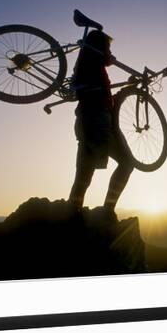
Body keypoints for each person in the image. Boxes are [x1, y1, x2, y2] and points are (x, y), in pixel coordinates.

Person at [67, 29, 134, 217]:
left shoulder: (90, 67)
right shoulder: (91, 63)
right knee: (127, 163)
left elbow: (103, 98)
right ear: (99, 47)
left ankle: (73, 212)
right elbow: (98, 99)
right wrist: (107, 57)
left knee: (84, 173)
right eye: (108, 47)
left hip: (88, 121)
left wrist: (127, 88)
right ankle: (107, 210)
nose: (110, 52)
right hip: (97, 122)